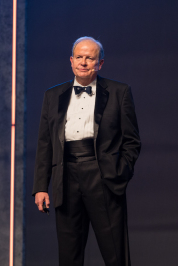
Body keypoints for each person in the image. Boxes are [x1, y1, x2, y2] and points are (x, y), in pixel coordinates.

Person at [33, 36, 141, 266]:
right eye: (79, 57)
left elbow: (131, 141)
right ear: (71, 61)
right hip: (66, 176)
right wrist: (41, 187)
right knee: (69, 256)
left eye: (90, 58)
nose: (83, 62)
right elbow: (45, 143)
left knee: (116, 255)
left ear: (100, 63)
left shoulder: (119, 92)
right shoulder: (53, 96)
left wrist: (119, 172)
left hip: (103, 176)